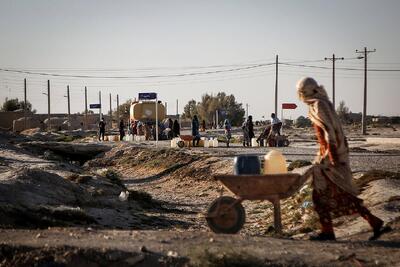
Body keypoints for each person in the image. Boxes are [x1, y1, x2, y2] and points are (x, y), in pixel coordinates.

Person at [297, 77, 389, 241]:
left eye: (301, 92)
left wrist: (332, 157)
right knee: (334, 194)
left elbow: (330, 132)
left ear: (307, 92)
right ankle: (372, 223)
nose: (300, 95)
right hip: (329, 156)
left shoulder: (319, 105)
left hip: (331, 157)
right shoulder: (319, 104)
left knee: (323, 195)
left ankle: (329, 231)